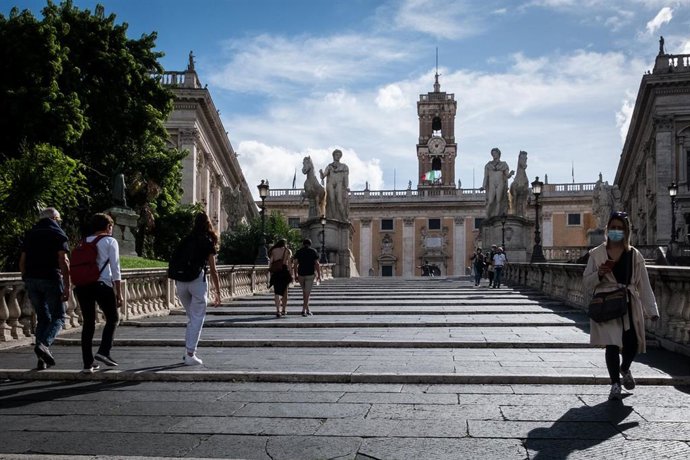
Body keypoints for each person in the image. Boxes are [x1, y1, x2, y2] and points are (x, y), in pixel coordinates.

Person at [583, 211, 659, 401]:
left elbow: (644, 284)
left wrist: (652, 310)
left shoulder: (634, 254)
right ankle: (615, 384)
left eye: (620, 228)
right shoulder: (597, 254)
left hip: (628, 303)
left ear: (626, 231)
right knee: (611, 344)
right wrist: (599, 274)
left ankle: (624, 368)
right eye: (613, 227)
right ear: (608, 229)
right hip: (607, 303)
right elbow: (586, 282)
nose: (616, 231)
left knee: (632, 343)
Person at [19, 207, 70, 370]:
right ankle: (44, 345)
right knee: (59, 317)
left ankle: (41, 358)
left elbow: (22, 260)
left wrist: (26, 278)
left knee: (43, 317)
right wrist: (67, 286)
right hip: (51, 278)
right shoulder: (58, 234)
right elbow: (63, 261)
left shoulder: (30, 234)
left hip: (32, 279)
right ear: (54, 218)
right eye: (59, 220)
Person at [73, 213, 123, 373]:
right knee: (113, 318)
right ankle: (104, 352)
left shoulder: (83, 241)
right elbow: (115, 268)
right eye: (111, 228)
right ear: (108, 227)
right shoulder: (110, 241)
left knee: (88, 323)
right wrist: (119, 292)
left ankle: (87, 363)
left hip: (82, 285)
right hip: (102, 284)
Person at [174, 212, 221, 366]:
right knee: (197, 319)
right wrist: (218, 292)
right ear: (208, 224)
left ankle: (187, 351)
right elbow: (213, 270)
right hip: (196, 281)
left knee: (192, 318)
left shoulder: (186, 239)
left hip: (180, 282)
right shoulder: (207, 241)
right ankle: (190, 354)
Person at [480, 148, 514, 218]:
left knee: (499, 200)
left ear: (499, 154)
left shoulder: (504, 164)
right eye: (493, 153)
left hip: (500, 183)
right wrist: (483, 186)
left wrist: (511, 174)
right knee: (490, 201)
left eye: (495, 153)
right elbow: (485, 177)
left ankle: (496, 217)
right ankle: (488, 217)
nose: (494, 155)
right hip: (491, 184)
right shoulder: (488, 165)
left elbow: (507, 175)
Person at [292, 238, 321, 316]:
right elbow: (317, 264)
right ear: (310, 244)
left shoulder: (299, 252)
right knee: (307, 293)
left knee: (305, 292)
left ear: (303, 244)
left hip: (301, 274)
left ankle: (308, 309)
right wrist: (319, 275)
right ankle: (303, 310)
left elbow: (295, 264)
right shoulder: (313, 251)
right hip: (310, 274)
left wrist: (295, 275)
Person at [319, 149, 349, 222]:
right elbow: (323, 175)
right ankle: (333, 218)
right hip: (330, 184)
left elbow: (346, 178)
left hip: (339, 183)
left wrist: (346, 187)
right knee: (331, 200)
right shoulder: (329, 166)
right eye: (336, 155)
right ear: (333, 156)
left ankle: (343, 218)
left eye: (339, 155)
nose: (337, 156)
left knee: (339, 201)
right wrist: (321, 173)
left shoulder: (344, 166)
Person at [268, 238, 293, 317]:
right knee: (285, 291)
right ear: (285, 244)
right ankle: (284, 310)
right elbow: (289, 263)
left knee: (276, 292)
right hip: (284, 271)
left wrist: (271, 271)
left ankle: (278, 311)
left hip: (276, 272)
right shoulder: (287, 251)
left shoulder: (274, 250)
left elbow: (271, 262)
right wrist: (291, 274)